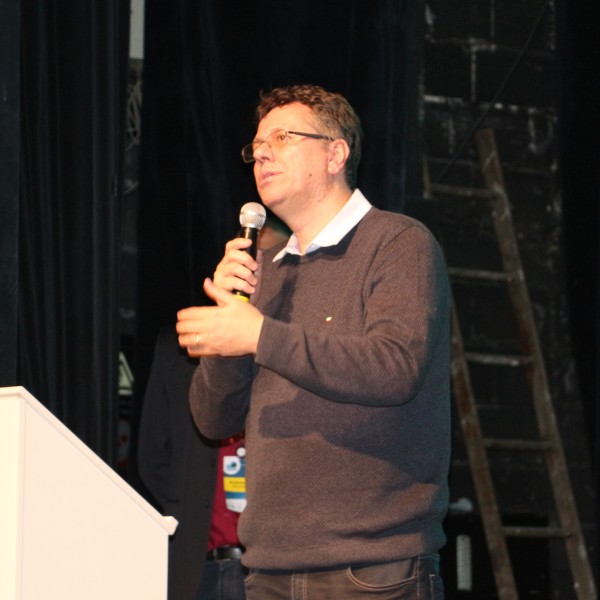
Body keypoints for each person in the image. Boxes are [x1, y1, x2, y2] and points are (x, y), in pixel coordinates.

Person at [176, 83, 451, 599]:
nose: (261, 153)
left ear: (335, 153)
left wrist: (260, 334)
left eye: (281, 138)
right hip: (268, 569)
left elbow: (395, 368)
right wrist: (229, 328)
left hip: (373, 569)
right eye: (255, 146)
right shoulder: (266, 274)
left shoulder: (398, 243)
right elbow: (213, 420)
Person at [138, 222, 290, 600]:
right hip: (196, 565)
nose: (259, 270)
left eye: (272, 261)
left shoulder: (299, 349)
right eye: (252, 260)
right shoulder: (182, 345)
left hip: (278, 569)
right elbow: (153, 458)